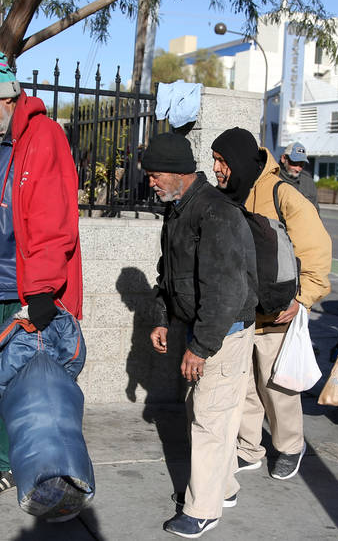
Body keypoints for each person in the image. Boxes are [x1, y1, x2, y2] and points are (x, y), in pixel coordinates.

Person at [0, 42, 83, 503]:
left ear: (5, 95)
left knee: (36, 391)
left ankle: (48, 473)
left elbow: (52, 216)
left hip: (24, 291)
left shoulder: (42, 136)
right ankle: (8, 463)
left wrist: (43, 290)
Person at [143, 132, 258, 539]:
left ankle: (202, 511)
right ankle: (222, 488)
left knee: (209, 421)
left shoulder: (216, 213)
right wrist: (162, 318)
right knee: (209, 415)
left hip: (224, 333)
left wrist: (200, 346)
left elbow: (227, 291)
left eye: (155, 175)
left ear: (178, 173)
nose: (151, 182)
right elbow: (168, 274)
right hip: (203, 329)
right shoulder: (178, 211)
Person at [210, 128, 332, 481]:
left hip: (276, 311)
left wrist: (303, 298)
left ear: (238, 160)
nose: (217, 168)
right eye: (215, 160)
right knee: (244, 385)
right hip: (238, 312)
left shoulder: (283, 194)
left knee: (278, 387)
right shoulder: (227, 195)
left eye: (222, 161)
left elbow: (316, 250)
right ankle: (249, 448)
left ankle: (290, 446)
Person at [278, 142, 319, 212]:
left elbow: (315, 210)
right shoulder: (273, 178)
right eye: (294, 163)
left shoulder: (308, 181)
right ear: (283, 158)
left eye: (301, 164)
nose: (298, 169)